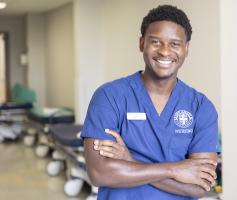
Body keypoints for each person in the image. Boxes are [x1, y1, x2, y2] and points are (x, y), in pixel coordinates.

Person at [81, 5, 220, 200]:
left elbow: (200, 187)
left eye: (174, 44)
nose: (164, 51)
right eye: (156, 42)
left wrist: (130, 161)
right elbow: (99, 173)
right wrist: (174, 169)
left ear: (186, 49)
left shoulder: (201, 107)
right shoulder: (109, 97)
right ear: (141, 43)